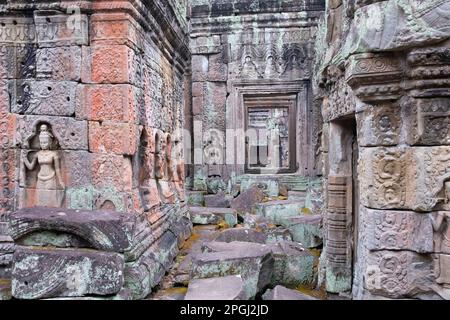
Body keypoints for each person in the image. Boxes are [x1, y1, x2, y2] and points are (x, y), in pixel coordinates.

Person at [22, 124, 65, 207]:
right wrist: (24, 158)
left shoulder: (53, 154)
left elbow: (57, 169)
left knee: (51, 201)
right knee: (40, 201)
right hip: (40, 179)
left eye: (45, 142)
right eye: (41, 142)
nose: (43, 144)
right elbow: (30, 167)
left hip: (50, 178)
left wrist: (60, 181)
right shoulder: (38, 154)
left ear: (49, 142)